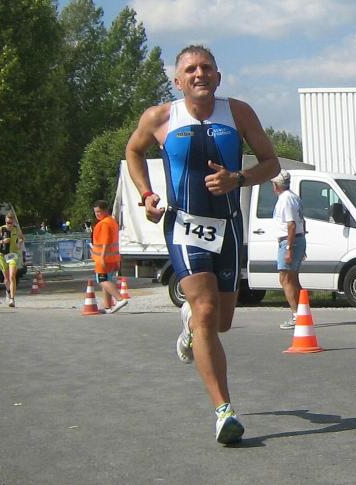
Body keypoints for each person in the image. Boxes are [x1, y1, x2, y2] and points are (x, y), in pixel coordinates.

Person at [125, 44, 280, 445]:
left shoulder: (239, 113)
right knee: (206, 309)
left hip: (229, 226)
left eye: (206, 68)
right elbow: (133, 150)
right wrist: (146, 194)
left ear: (218, 76)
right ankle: (224, 411)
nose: (200, 74)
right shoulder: (160, 117)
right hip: (184, 224)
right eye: (191, 69)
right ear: (178, 81)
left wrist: (238, 179)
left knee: (221, 322)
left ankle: (191, 326)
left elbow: (272, 163)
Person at [271, 169, 307, 329]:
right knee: (292, 279)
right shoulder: (292, 197)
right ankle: (302, 313)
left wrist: (289, 248)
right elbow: (302, 222)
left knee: (285, 279)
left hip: (289, 240)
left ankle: (296, 315)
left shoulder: (286, 199)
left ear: (276, 185)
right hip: (296, 239)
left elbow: (291, 225)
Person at [91, 200, 128, 314]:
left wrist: (102, 257)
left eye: (99, 212)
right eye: (95, 212)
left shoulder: (104, 224)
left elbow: (105, 242)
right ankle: (107, 306)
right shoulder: (112, 221)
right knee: (108, 281)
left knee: (102, 281)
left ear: (106, 210)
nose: (97, 214)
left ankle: (120, 299)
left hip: (103, 258)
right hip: (112, 257)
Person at [0, 212, 24, 307]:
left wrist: (19, 243)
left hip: (12, 254)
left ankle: (12, 299)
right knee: (6, 278)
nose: (9, 225)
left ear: (14, 222)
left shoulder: (16, 229)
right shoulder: (1, 229)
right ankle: (8, 291)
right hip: (2, 255)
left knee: (12, 276)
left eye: (11, 223)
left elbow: (22, 238)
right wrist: (2, 241)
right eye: (7, 222)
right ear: (5, 221)